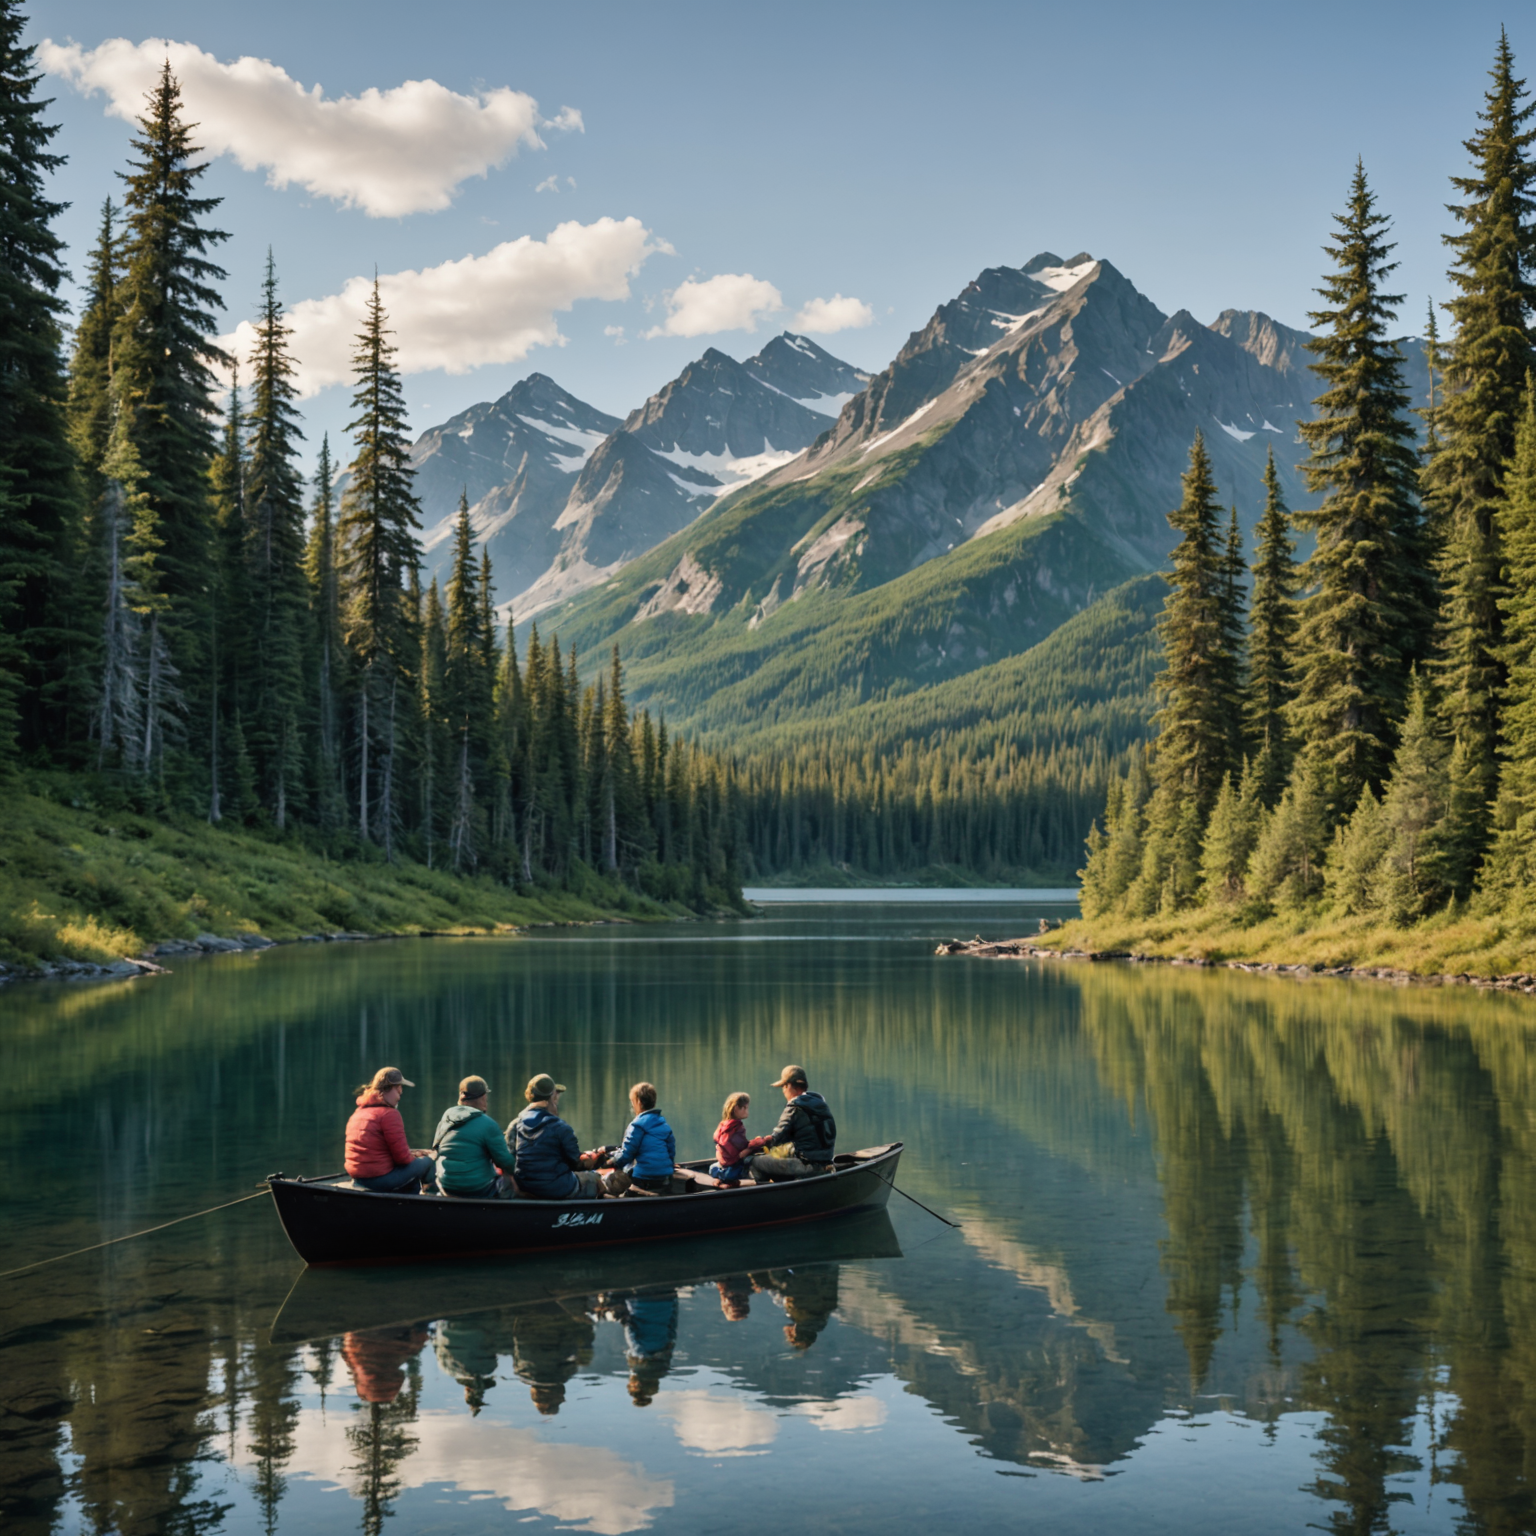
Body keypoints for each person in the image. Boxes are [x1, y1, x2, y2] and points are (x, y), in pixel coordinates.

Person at [509, 1074, 606, 1200]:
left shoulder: (516, 1125)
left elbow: (510, 1157)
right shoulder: (561, 1127)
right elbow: (575, 1164)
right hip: (556, 1188)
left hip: (524, 1186)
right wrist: (591, 1162)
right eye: (556, 1097)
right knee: (594, 1179)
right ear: (552, 1098)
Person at [345, 1067, 437, 1193]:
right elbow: (402, 1159)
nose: (401, 1092)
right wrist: (416, 1157)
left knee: (413, 1180)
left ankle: (409, 1197)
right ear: (388, 1089)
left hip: (359, 1179)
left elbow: (375, 1150)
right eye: (398, 1087)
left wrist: (412, 1153)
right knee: (428, 1161)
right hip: (380, 1180)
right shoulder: (389, 1114)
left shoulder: (359, 1112)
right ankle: (432, 1198)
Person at [745, 1065, 836, 1183]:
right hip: (826, 1162)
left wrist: (758, 1142)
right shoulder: (820, 1103)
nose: (783, 1091)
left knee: (753, 1161)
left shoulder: (794, 1107)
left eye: (783, 1086)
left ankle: (769, 1190)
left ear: (788, 1086)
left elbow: (776, 1139)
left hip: (806, 1166)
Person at [433, 1075, 518, 1199]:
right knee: (509, 1182)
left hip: (446, 1186)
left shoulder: (447, 1116)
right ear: (483, 1097)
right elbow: (505, 1162)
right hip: (477, 1188)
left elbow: (436, 1148)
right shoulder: (488, 1124)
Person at [604, 1082, 677, 1195]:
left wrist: (612, 1162)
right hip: (665, 1177)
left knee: (610, 1181)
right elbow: (671, 1151)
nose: (632, 1106)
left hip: (644, 1178)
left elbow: (627, 1154)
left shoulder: (636, 1125)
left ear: (638, 1101)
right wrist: (669, 1166)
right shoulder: (663, 1124)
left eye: (632, 1102)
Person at [710, 1091, 753, 1185]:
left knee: (713, 1168)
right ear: (737, 1108)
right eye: (745, 1108)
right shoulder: (737, 1127)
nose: (747, 1111)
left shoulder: (723, 1124)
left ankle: (720, 1176)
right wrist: (755, 1145)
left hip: (723, 1163)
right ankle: (730, 1181)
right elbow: (742, 1148)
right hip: (733, 1165)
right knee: (751, 1160)